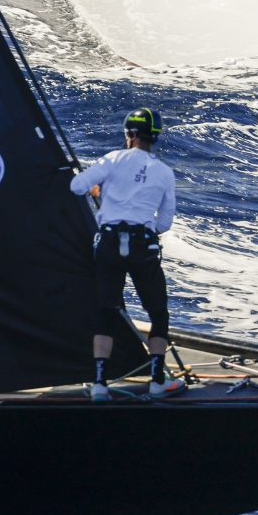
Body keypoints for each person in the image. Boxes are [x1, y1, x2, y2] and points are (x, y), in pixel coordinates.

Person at [71, 107, 179, 401]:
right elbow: (164, 223)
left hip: (108, 243)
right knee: (158, 313)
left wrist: (100, 193)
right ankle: (158, 381)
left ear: (130, 134)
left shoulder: (112, 159)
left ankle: (99, 385)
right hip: (143, 243)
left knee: (106, 311)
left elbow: (76, 185)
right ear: (153, 136)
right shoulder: (165, 173)